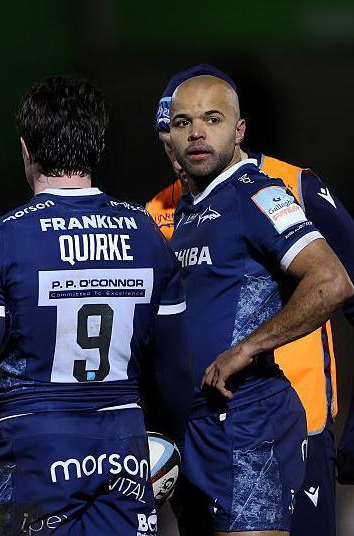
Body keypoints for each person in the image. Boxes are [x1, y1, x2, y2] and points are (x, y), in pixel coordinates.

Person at [0, 76, 193, 535]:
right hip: (123, 441)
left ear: (26, 149)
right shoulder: (147, 233)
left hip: (36, 445)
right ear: (97, 147)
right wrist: (170, 439)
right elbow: (174, 368)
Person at [147, 64, 354, 536]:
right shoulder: (181, 211)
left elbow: (333, 282)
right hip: (196, 428)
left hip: (249, 417)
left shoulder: (258, 193)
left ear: (239, 130)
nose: (197, 133)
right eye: (183, 124)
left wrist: (248, 348)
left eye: (212, 119)